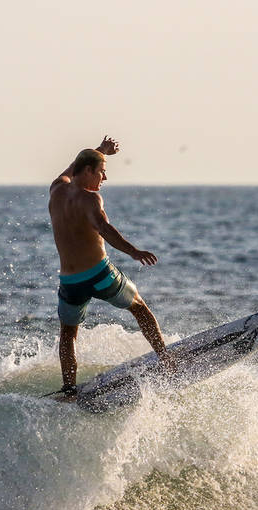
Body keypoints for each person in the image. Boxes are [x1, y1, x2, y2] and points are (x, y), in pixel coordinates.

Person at [48, 135, 170, 399]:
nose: (104, 179)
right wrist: (134, 252)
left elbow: (72, 168)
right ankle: (167, 360)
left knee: (68, 333)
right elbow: (104, 229)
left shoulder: (56, 189)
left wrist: (101, 151)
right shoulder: (91, 200)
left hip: (70, 283)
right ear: (89, 170)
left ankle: (69, 390)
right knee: (139, 307)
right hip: (99, 275)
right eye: (102, 172)